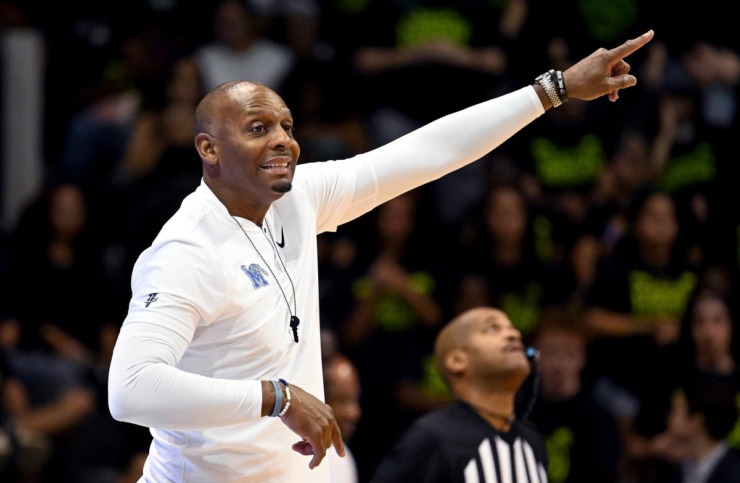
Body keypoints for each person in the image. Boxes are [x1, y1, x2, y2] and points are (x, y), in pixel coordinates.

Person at [107, 29, 655, 482]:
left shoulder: (299, 198)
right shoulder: (187, 250)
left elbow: (427, 152)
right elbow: (130, 390)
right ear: (209, 149)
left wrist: (551, 90)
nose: (283, 141)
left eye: (287, 127)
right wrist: (276, 397)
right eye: (258, 129)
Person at [370, 306, 546, 482]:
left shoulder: (533, 443)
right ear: (456, 361)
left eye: (512, 328)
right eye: (492, 328)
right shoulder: (433, 437)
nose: (514, 334)